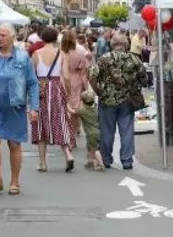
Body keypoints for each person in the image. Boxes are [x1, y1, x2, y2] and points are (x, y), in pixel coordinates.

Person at [0, 24, 38, 195]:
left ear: (12, 37)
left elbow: (32, 84)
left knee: (14, 143)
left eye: (3, 35)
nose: (0, 38)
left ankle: (15, 181)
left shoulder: (22, 57)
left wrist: (34, 108)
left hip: (15, 106)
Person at [89, 33, 146, 170]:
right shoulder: (134, 58)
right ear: (126, 44)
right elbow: (143, 78)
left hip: (107, 100)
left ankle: (106, 159)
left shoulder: (104, 59)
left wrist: (99, 92)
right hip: (127, 100)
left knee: (107, 131)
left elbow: (92, 77)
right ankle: (127, 160)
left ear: (111, 44)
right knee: (126, 131)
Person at [30, 27, 75, 172]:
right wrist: (67, 93)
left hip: (41, 89)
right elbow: (67, 77)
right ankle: (68, 154)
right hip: (56, 88)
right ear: (56, 38)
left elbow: (31, 76)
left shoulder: (36, 54)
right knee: (60, 121)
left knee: (41, 123)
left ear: (42, 38)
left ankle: (42, 163)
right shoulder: (61, 54)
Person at [76, 90, 103, 170]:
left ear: (82, 101)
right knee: (90, 148)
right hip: (99, 131)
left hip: (91, 133)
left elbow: (74, 112)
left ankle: (100, 162)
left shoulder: (82, 111)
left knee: (94, 150)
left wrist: (67, 106)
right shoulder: (96, 108)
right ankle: (91, 163)